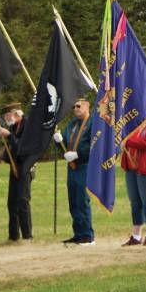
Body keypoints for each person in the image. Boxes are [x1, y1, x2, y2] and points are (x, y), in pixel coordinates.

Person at [53, 98, 94, 245]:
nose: (75, 109)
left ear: (87, 106)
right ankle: (78, 233)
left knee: (82, 200)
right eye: (74, 106)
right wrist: (59, 141)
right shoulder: (73, 124)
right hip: (72, 167)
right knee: (73, 201)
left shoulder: (92, 124)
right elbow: (66, 145)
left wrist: (79, 154)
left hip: (84, 165)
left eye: (78, 106)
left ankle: (87, 235)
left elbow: (93, 145)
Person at [0, 102, 33, 242]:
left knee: (23, 200)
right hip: (14, 167)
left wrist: (9, 136)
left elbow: (23, 146)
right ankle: (13, 236)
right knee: (12, 201)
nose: (6, 119)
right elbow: (11, 149)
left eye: (8, 115)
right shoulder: (13, 127)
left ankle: (27, 235)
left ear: (17, 114)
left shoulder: (28, 125)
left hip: (25, 166)